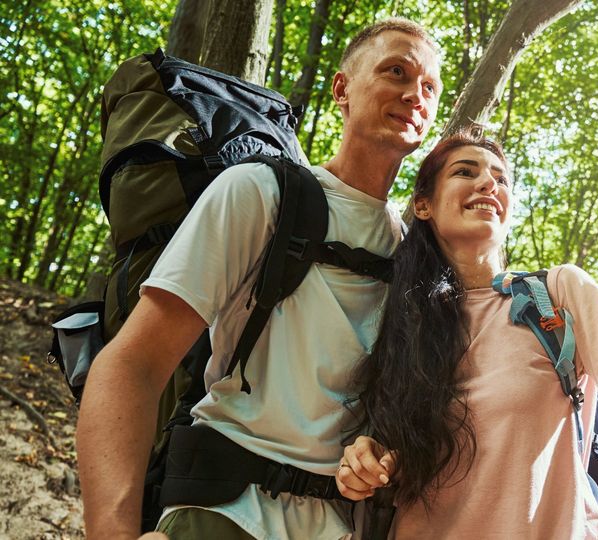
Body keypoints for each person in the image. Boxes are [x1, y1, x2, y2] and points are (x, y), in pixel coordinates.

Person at [76, 18, 443, 540]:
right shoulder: (261, 192)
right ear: (342, 89)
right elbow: (133, 363)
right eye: (396, 72)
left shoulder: (413, 256)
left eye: (429, 87)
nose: (414, 94)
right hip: (223, 511)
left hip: (336, 527)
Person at [335, 129, 598, 539]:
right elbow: (388, 458)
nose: (489, 183)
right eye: (466, 171)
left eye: (501, 179)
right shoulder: (397, 321)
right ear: (423, 204)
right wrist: (364, 462)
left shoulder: (557, 295)